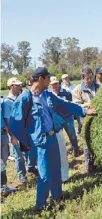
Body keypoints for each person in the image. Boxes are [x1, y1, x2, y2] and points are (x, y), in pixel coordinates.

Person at [9, 67, 97, 211]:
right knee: (44, 175)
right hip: (39, 143)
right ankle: (40, 206)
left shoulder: (47, 95)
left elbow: (65, 105)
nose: (50, 81)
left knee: (56, 170)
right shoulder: (25, 98)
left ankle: (57, 196)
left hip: (52, 138)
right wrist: (26, 140)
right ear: (41, 78)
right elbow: (14, 123)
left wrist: (84, 111)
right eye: (48, 78)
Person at [3, 77, 38, 184]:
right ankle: (21, 175)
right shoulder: (7, 103)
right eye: (17, 85)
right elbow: (8, 121)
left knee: (29, 151)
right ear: (11, 87)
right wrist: (12, 136)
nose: (19, 86)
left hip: (26, 130)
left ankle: (30, 167)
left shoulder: (21, 97)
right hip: (16, 133)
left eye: (19, 85)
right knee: (18, 156)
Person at [72, 66, 99, 172]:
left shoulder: (97, 86)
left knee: (97, 140)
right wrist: (88, 104)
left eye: (91, 78)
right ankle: (89, 166)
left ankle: (98, 162)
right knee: (87, 143)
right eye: (87, 78)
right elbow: (76, 106)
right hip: (85, 119)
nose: (89, 80)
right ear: (83, 78)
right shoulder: (78, 90)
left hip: (97, 117)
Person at [50, 76, 80, 157]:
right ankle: (61, 152)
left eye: (56, 84)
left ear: (59, 84)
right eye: (52, 85)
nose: (54, 86)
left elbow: (71, 105)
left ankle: (76, 149)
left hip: (67, 118)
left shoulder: (66, 93)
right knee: (59, 137)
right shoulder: (50, 95)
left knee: (72, 135)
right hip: (57, 119)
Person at [1, 97, 17, 196]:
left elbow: (6, 118)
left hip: (2, 134)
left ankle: (3, 185)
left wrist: (11, 134)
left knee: (3, 161)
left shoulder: (2, 102)